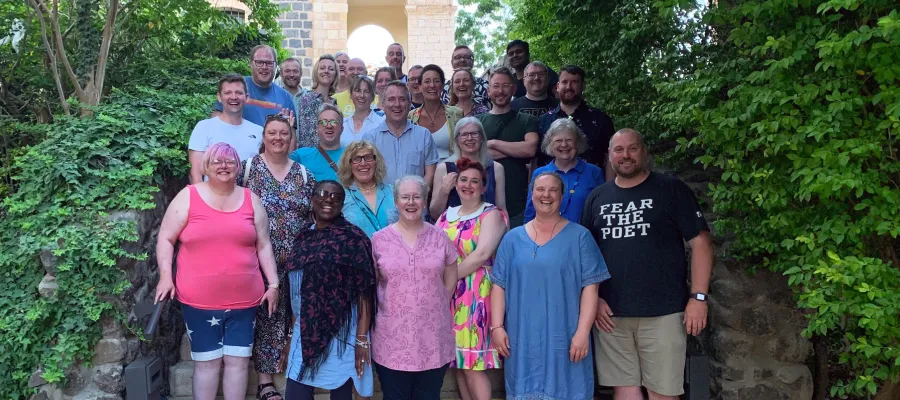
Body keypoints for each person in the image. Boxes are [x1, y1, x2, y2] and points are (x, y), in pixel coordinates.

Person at [582, 129, 713, 400]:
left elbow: (700, 243)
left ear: (644, 152)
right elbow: (586, 256)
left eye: (632, 148)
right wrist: (593, 300)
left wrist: (698, 298)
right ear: (609, 156)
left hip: (663, 313)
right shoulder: (597, 197)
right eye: (618, 150)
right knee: (624, 392)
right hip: (611, 315)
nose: (625, 155)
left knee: (663, 393)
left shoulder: (671, 188)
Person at [154, 142, 280, 400]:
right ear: (205, 167)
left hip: (245, 301)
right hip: (199, 301)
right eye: (216, 162)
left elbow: (264, 244)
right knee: (207, 364)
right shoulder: (188, 197)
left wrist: (274, 285)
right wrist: (165, 276)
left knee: (238, 363)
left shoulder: (251, 200)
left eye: (230, 161)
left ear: (237, 167)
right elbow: (166, 238)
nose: (224, 166)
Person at [490, 172, 611, 400]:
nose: (546, 195)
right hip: (522, 338)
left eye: (553, 190)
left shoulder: (580, 237)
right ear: (531, 194)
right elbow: (499, 285)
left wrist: (582, 333)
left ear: (562, 196)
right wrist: (497, 328)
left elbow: (590, 288)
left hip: (565, 338)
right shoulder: (512, 239)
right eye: (540, 189)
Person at [235, 115, 316, 400]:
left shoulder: (304, 175)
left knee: (296, 314)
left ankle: (299, 368)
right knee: (266, 317)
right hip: (256, 259)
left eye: (284, 133)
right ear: (264, 136)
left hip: (298, 260)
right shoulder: (247, 170)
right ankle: (265, 381)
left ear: (291, 137)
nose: (278, 138)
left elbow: (314, 217)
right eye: (272, 133)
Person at [284, 180, 376, 400]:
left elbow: (365, 293)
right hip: (305, 329)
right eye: (323, 193)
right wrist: (291, 334)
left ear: (342, 204)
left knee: (341, 390)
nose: (329, 199)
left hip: (342, 331)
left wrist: (362, 339)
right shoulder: (302, 239)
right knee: (296, 393)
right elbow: (296, 290)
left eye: (336, 197)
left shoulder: (353, 239)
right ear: (312, 199)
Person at [370, 175, 458, 399]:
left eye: (416, 197)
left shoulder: (440, 237)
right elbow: (374, 285)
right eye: (405, 197)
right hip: (391, 339)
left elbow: (450, 277)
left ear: (425, 200)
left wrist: (434, 304)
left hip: (433, 338)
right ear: (396, 201)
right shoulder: (379, 240)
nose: (411, 202)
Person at [435, 159, 507, 400]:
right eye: (463, 179)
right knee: (459, 361)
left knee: (472, 363)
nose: (468, 185)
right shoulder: (446, 215)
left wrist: (448, 280)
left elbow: (481, 255)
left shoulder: (491, 214)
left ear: (484, 187)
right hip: (449, 294)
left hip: (476, 292)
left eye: (475, 181)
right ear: (455, 184)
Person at [477, 67, 539, 227]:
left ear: (513, 89)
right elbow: (476, 155)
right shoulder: (478, 122)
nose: (501, 91)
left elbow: (530, 149)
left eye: (505, 86)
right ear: (489, 91)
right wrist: (515, 151)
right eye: (496, 86)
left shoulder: (527, 120)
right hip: (483, 201)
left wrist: (492, 143)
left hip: (518, 203)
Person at [538, 65, 615, 180]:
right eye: (564, 82)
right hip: (551, 191)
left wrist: (610, 189)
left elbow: (610, 156)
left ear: (583, 86)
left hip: (592, 187)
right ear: (558, 86)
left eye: (574, 82)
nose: (568, 86)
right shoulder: (544, 120)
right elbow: (536, 159)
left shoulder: (600, 119)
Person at [524, 118, 603, 224]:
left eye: (569, 140)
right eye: (558, 140)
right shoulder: (539, 174)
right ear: (550, 144)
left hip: (584, 238)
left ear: (577, 143)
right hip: (546, 238)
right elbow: (530, 213)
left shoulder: (594, 173)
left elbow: (602, 212)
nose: (564, 145)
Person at [189, 74, 264, 184]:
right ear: (219, 97)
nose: (234, 97)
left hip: (249, 198)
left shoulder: (259, 131)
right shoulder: (204, 127)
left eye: (238, 93)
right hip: (212, 198)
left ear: (246, 97)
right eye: (228, 93)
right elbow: (196, 174)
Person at [360, 82, 439, 185]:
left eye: (402, 99)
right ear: (383, 104)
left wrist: (419, 196)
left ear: (409, 103)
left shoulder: (423, 136)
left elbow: (430, 173)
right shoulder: (370, 138)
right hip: (381, 200)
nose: (397, 104)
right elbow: (364, 175)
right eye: (391, 99)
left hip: (415, 199)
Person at [429, 117, 505, 220]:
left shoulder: (496, 168)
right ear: (457, 139)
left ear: (482, 137)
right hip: (452, 232)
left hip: (487, 229)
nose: (469, 138)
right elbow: (434, 214)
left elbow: (502, 210)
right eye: (464, 134)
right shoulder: (444, 168)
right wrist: (444, 191)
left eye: (474, 134)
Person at [213, 45, 296, 128]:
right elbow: (216, 118)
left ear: (275, 65)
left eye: (269, 63)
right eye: (259, 62)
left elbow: (292, 137)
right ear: (251, 64)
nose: (264, 67)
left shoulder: (286, 97)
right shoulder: (237, 86)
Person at [338, 141, 398, 237]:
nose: (363, 163)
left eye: (368, 157)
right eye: (356, 159)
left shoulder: (394, 192)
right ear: (348, 164)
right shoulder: (342, 197)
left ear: (376, 161)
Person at [409, 65, 463, 162]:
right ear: (420, 87)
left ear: (442, 86)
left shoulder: (456, 114)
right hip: (420, 174)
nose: (432, 85)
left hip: (451, 172)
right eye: (427, 81)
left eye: (436, 81)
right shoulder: (410, 117)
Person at [290, 104, 345, 182]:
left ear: (342, 128)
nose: (329, 126)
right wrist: (286, 131)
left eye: (334, 122)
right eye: (323, 122)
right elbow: (281, 164)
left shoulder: (351, 156)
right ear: (317, 129)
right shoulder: (301, 155)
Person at [295, 54, 339, 148]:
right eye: (322, 68)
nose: (326, 71)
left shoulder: (334, 102)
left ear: (335, 74)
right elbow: (307, 137)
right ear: (316, 72)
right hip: (311, 156)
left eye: (331, 69)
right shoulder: (307, 100)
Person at [341, 77, 384, 147]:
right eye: (358, 91)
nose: (362, 95)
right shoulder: (342, 124)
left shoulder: (381, 123)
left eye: (366, 92)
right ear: (351, 95)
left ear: (373, 96)